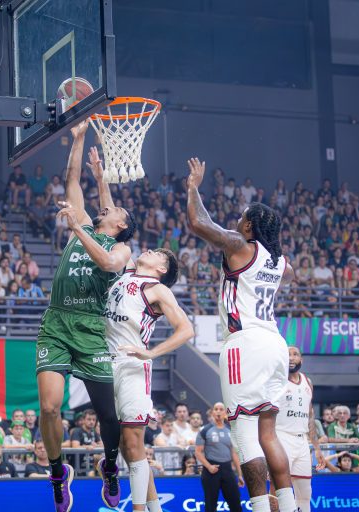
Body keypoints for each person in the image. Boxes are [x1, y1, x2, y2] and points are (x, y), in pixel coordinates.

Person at [186, 157, 297, 512]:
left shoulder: (240, 245)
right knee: (268, 433)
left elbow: (198, 223)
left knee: (244, 432)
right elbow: (288, 275)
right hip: (275, 344)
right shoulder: (280, 262)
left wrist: (193, 188)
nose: (237, 221)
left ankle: (262, 508)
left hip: (244, 343)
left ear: (249, 225)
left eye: (241, 218)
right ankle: (289, 505)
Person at [38, 123, 135, 512]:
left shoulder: (121, 249)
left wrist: (78, 228)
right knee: (49, 408)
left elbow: (108, 262)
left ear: (121, 225)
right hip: (57, 324)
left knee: (108, 415)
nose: (104, 207)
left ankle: (109, 467)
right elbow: (71, 180)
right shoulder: (87, 223)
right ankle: (57, 472)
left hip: (91, 328)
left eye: (112, 210)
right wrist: (78, 139)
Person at [104, 247, 194, 512]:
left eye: (156, 253)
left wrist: (152, 352)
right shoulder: (128, 271)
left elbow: (186, 329)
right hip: (106, 363)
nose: (149, 249)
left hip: (132, 366)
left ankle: (139, 509)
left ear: (161, 269)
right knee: (127, 446)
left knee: (133, 443)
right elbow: (117, 236)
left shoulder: (158, 289)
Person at [273, 347, 326, 512]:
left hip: (302, 441)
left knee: (305, 493)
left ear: (301, 360)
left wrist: (317, 448)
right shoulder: (276, 380)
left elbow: (310, 416)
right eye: (287, 354)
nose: (291, 357)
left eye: (295, 354)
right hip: (281, 437)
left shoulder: (307, 382)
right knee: (277, 491)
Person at [195, 403, 245, 512]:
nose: (218, 411)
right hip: (211, 470)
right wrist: (209, 467)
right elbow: (198, 452)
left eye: (221, 409)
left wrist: (240, 474)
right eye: (216, 409)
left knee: (236, 504)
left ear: (225, 413)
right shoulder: (205, 430)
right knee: (210, 506)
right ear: (212, 412)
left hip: (227, 469)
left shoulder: (230, 430)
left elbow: (234, 453)